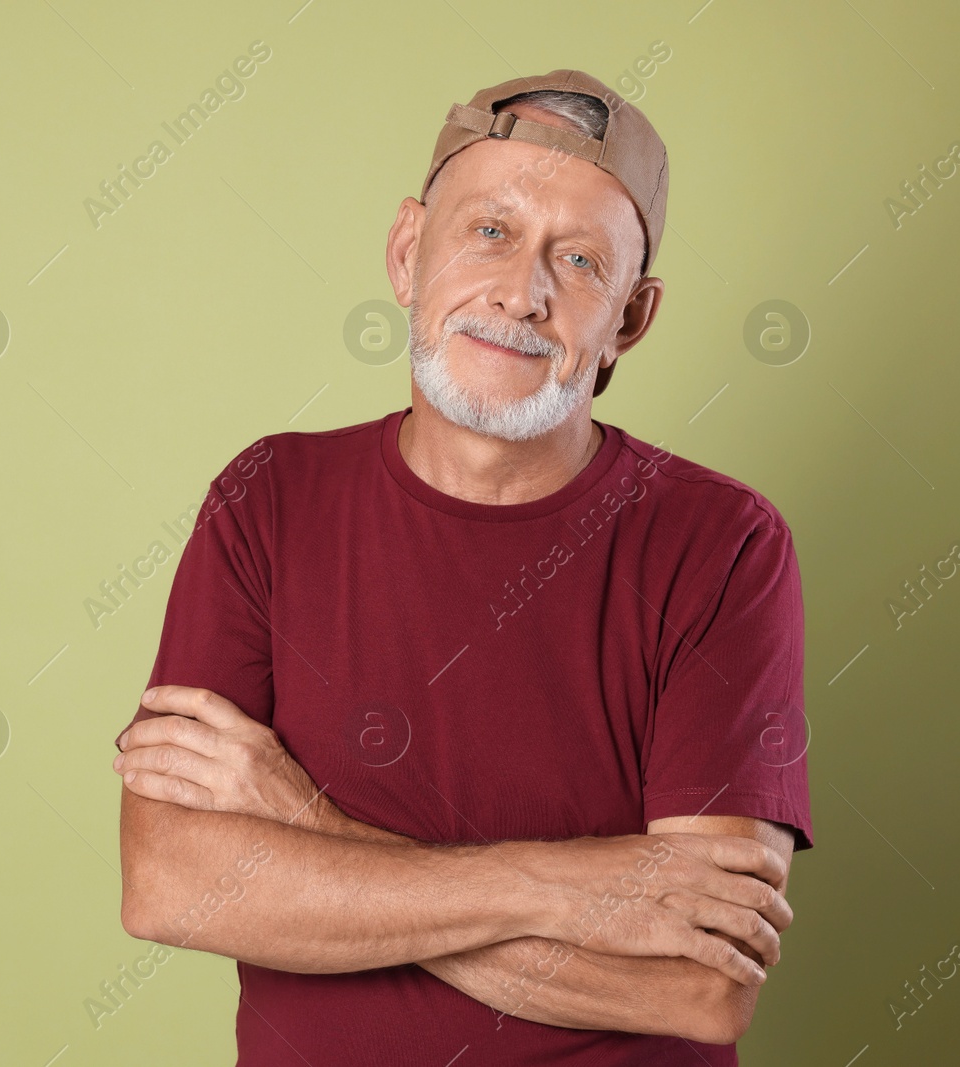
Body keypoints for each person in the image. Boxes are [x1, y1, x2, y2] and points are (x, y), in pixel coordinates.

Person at [110, 69, 813, 1065]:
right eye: (489, 230)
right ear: (407, 250)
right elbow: (172, 884)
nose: (520, 293)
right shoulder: (266, 498)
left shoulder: (722, 544)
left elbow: (699, 988)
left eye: (576, 260)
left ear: (629, 318)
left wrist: (305, 823)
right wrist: (562, 890)